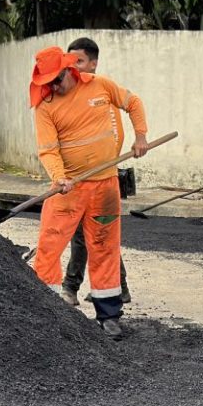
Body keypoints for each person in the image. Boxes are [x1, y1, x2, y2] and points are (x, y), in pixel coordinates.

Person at [29, 45, 148, 339]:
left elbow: (133, 103)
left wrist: (141, 136)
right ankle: (48, 311)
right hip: (68, 189)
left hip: (105, 185)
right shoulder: (45, 107)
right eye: (48, 84)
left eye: (57, 80)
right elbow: (48, 150)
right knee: (49, 244)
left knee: (104, 246)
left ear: (70, 71)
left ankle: (109, 315)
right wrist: (59, 177)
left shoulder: (101, 85)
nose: (54, 87)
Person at [59, 36, 131, 308]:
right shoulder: (70, 91)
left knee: (83, 233)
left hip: (99, 178)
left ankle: (70, 287)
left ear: (93, 64)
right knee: (100, 235)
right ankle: (120, 286)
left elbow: (116, 133)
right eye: (70, 62)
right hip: (75, 177)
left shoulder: (102, 93)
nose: (73, 67)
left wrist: (102, 166)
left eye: (78, 61)